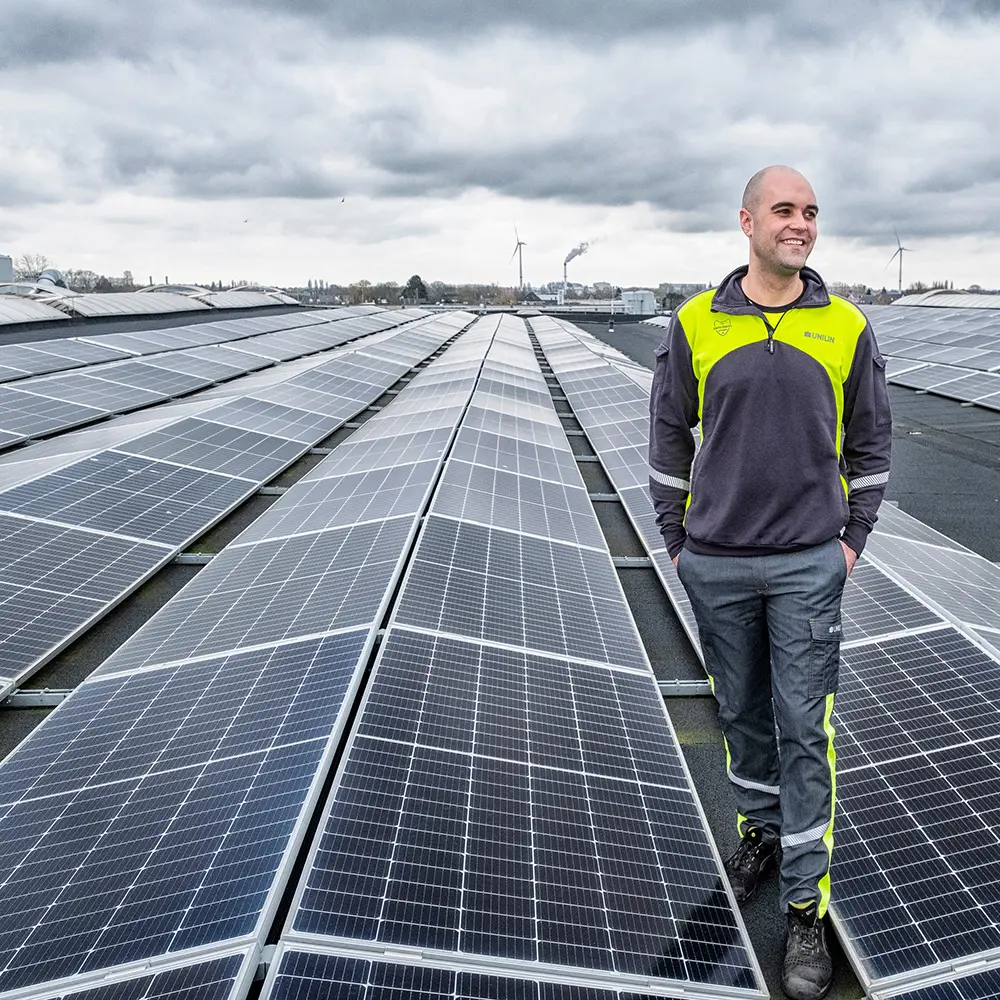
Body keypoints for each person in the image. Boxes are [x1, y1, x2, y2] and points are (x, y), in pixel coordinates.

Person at [648, 165, 891, 1000]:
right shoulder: (695, 323)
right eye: (784, 210)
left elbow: (872, 450)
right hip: (715, 562)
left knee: (805, 726)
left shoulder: (847, 326)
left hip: (805, 566)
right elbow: (667, 441)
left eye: (812, 213)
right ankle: (757, 832)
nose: (801, 224)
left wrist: (849, 543)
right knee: (742, 714)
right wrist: (678, 540)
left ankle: (803, 906)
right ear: (746, 220)